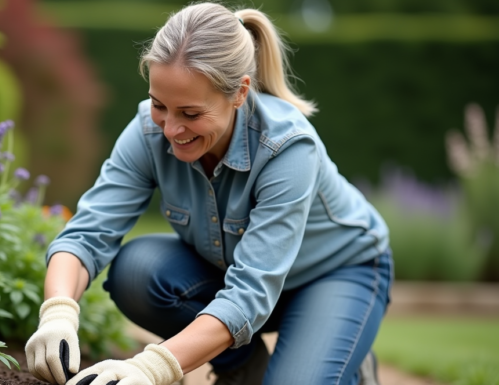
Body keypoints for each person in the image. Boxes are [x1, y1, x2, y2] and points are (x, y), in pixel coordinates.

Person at [25, 2, 392, 385]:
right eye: (159, 105)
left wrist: (150, 369)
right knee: (138, 271)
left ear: (239, 93)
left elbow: (250, 292)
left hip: (335, 274)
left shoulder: (288, 148)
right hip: (237, 276)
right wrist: (58, 312)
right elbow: (88, 231)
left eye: (190, 113)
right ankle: (243, 368)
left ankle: (345, 361)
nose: (170, 129)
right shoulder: (147, 132)